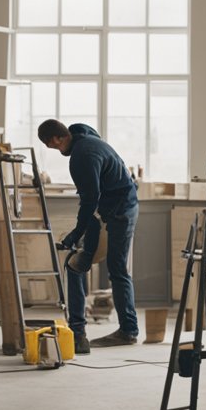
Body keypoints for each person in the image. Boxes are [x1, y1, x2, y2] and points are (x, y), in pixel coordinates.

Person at [38, 120, 139, 354]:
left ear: (55, 140)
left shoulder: (82, 156)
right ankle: (78, 334)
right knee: (75, 265)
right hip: (104, 209)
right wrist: (81, 235)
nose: (52, 149)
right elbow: (93, 200)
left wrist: (75, 233)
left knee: (117, 269)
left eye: (49, 145)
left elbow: (89, 199)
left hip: (122, 209)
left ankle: (128, 331)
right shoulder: (85, 137)